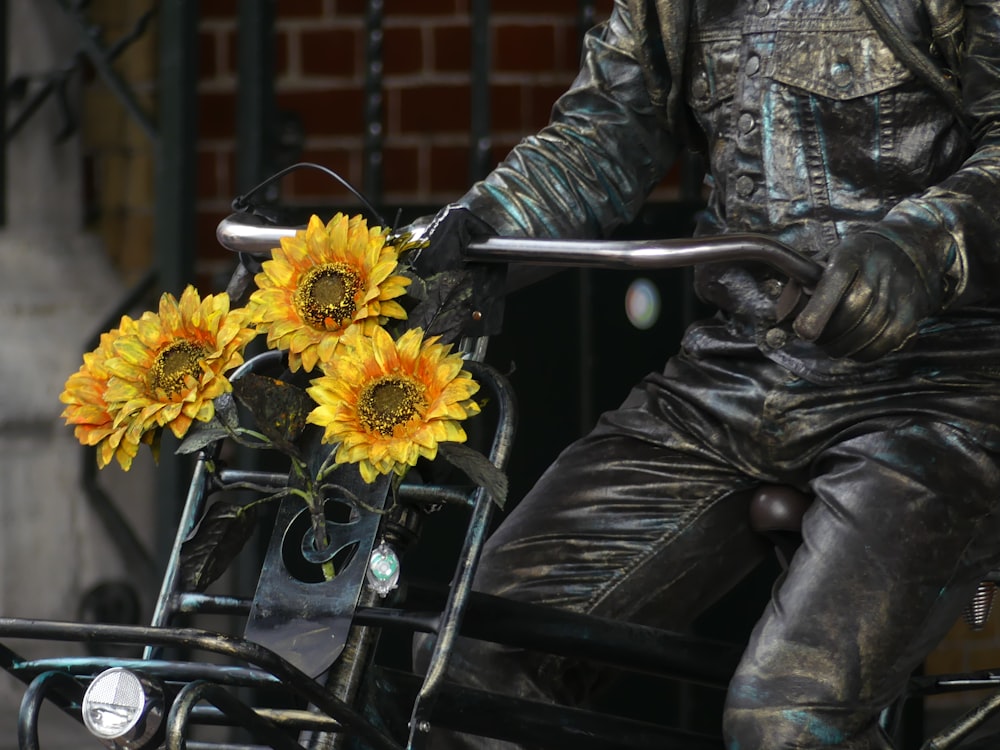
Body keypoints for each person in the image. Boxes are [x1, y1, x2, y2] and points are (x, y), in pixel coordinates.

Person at [411, 0, 1000, 747]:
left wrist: (926, 245)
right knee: (468, 661)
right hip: (732, 378)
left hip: (944, 391)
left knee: (787, 722)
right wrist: (473, 231)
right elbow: (605, 136)